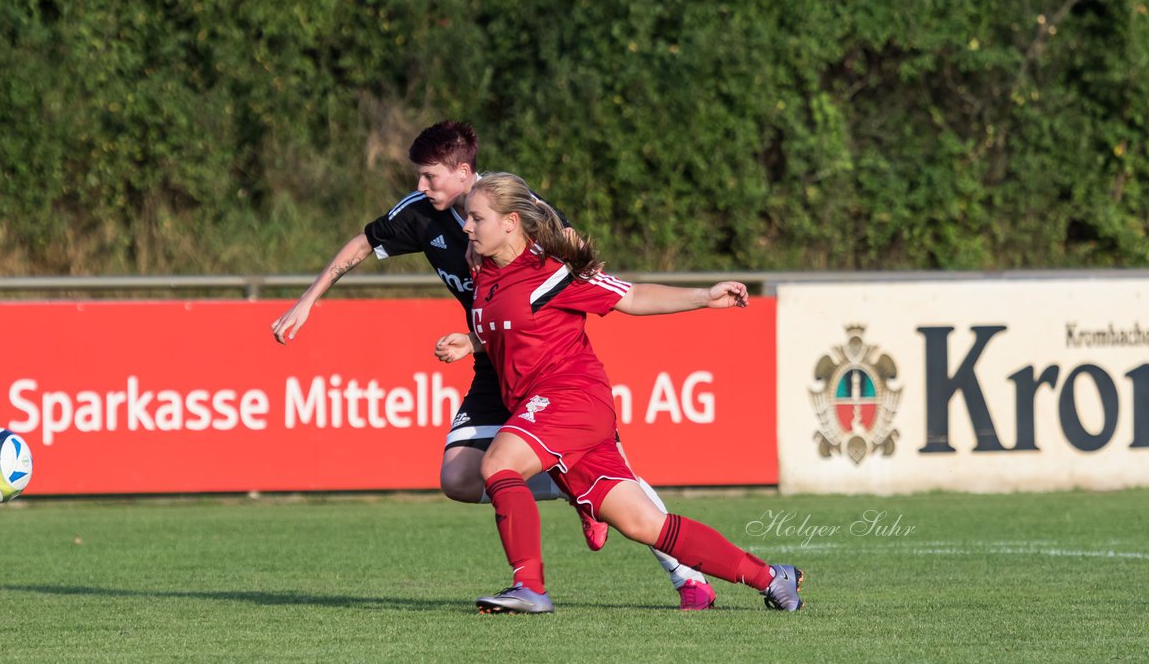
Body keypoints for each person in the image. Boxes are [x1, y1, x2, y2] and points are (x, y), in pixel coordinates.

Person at [271, 121, 719, 609]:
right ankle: (577, 490)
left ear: (464, 172)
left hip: (545, 360)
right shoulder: (421, 214)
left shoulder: (518, 212)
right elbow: (362, 242)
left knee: (619, 489)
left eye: (429, 176)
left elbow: (581, 284)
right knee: (459, 479)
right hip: (492, 357)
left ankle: (688, 578)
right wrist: (308, 301)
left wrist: (697, 296)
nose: (421, 187)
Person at [434, 171, 804, 614]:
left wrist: (705, 296)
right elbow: (516, 327)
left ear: (511, 221)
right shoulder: (486, 276)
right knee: (646, 523)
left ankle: (529, 587)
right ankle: (772, 577)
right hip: (553, 415)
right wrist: (472, 341)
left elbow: (632, 297)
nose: (466, 227)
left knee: (498, 463)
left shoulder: (552, 273)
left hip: (573, 398)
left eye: (476, 218)